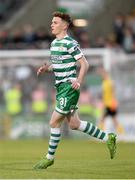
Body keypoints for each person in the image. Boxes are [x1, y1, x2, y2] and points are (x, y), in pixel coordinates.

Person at [33, 12, 117, 170]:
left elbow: (84, 64)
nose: (52, 25)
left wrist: (78, 80)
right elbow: (57, 66)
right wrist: (47, 69)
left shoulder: (70, 43)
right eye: (52, 22)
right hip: (60, 87)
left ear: (64, 25)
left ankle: (49, 158)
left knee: (53, 121)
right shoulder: (53, 44)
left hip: (69, 87)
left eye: (55, 22)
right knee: (74, 124)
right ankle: (108, 137)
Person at [98, 68, 124, 133]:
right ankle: (122, 133)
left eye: (103, 74)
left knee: (104, 119)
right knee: (106, 119)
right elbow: (104, 94)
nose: (102, 75)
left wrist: (114, 102)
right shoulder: (104, 82)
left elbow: (113, 93)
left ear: (106, 74)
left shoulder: (110, 82)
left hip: (110, 104)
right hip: (106, 104)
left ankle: (100, 134)